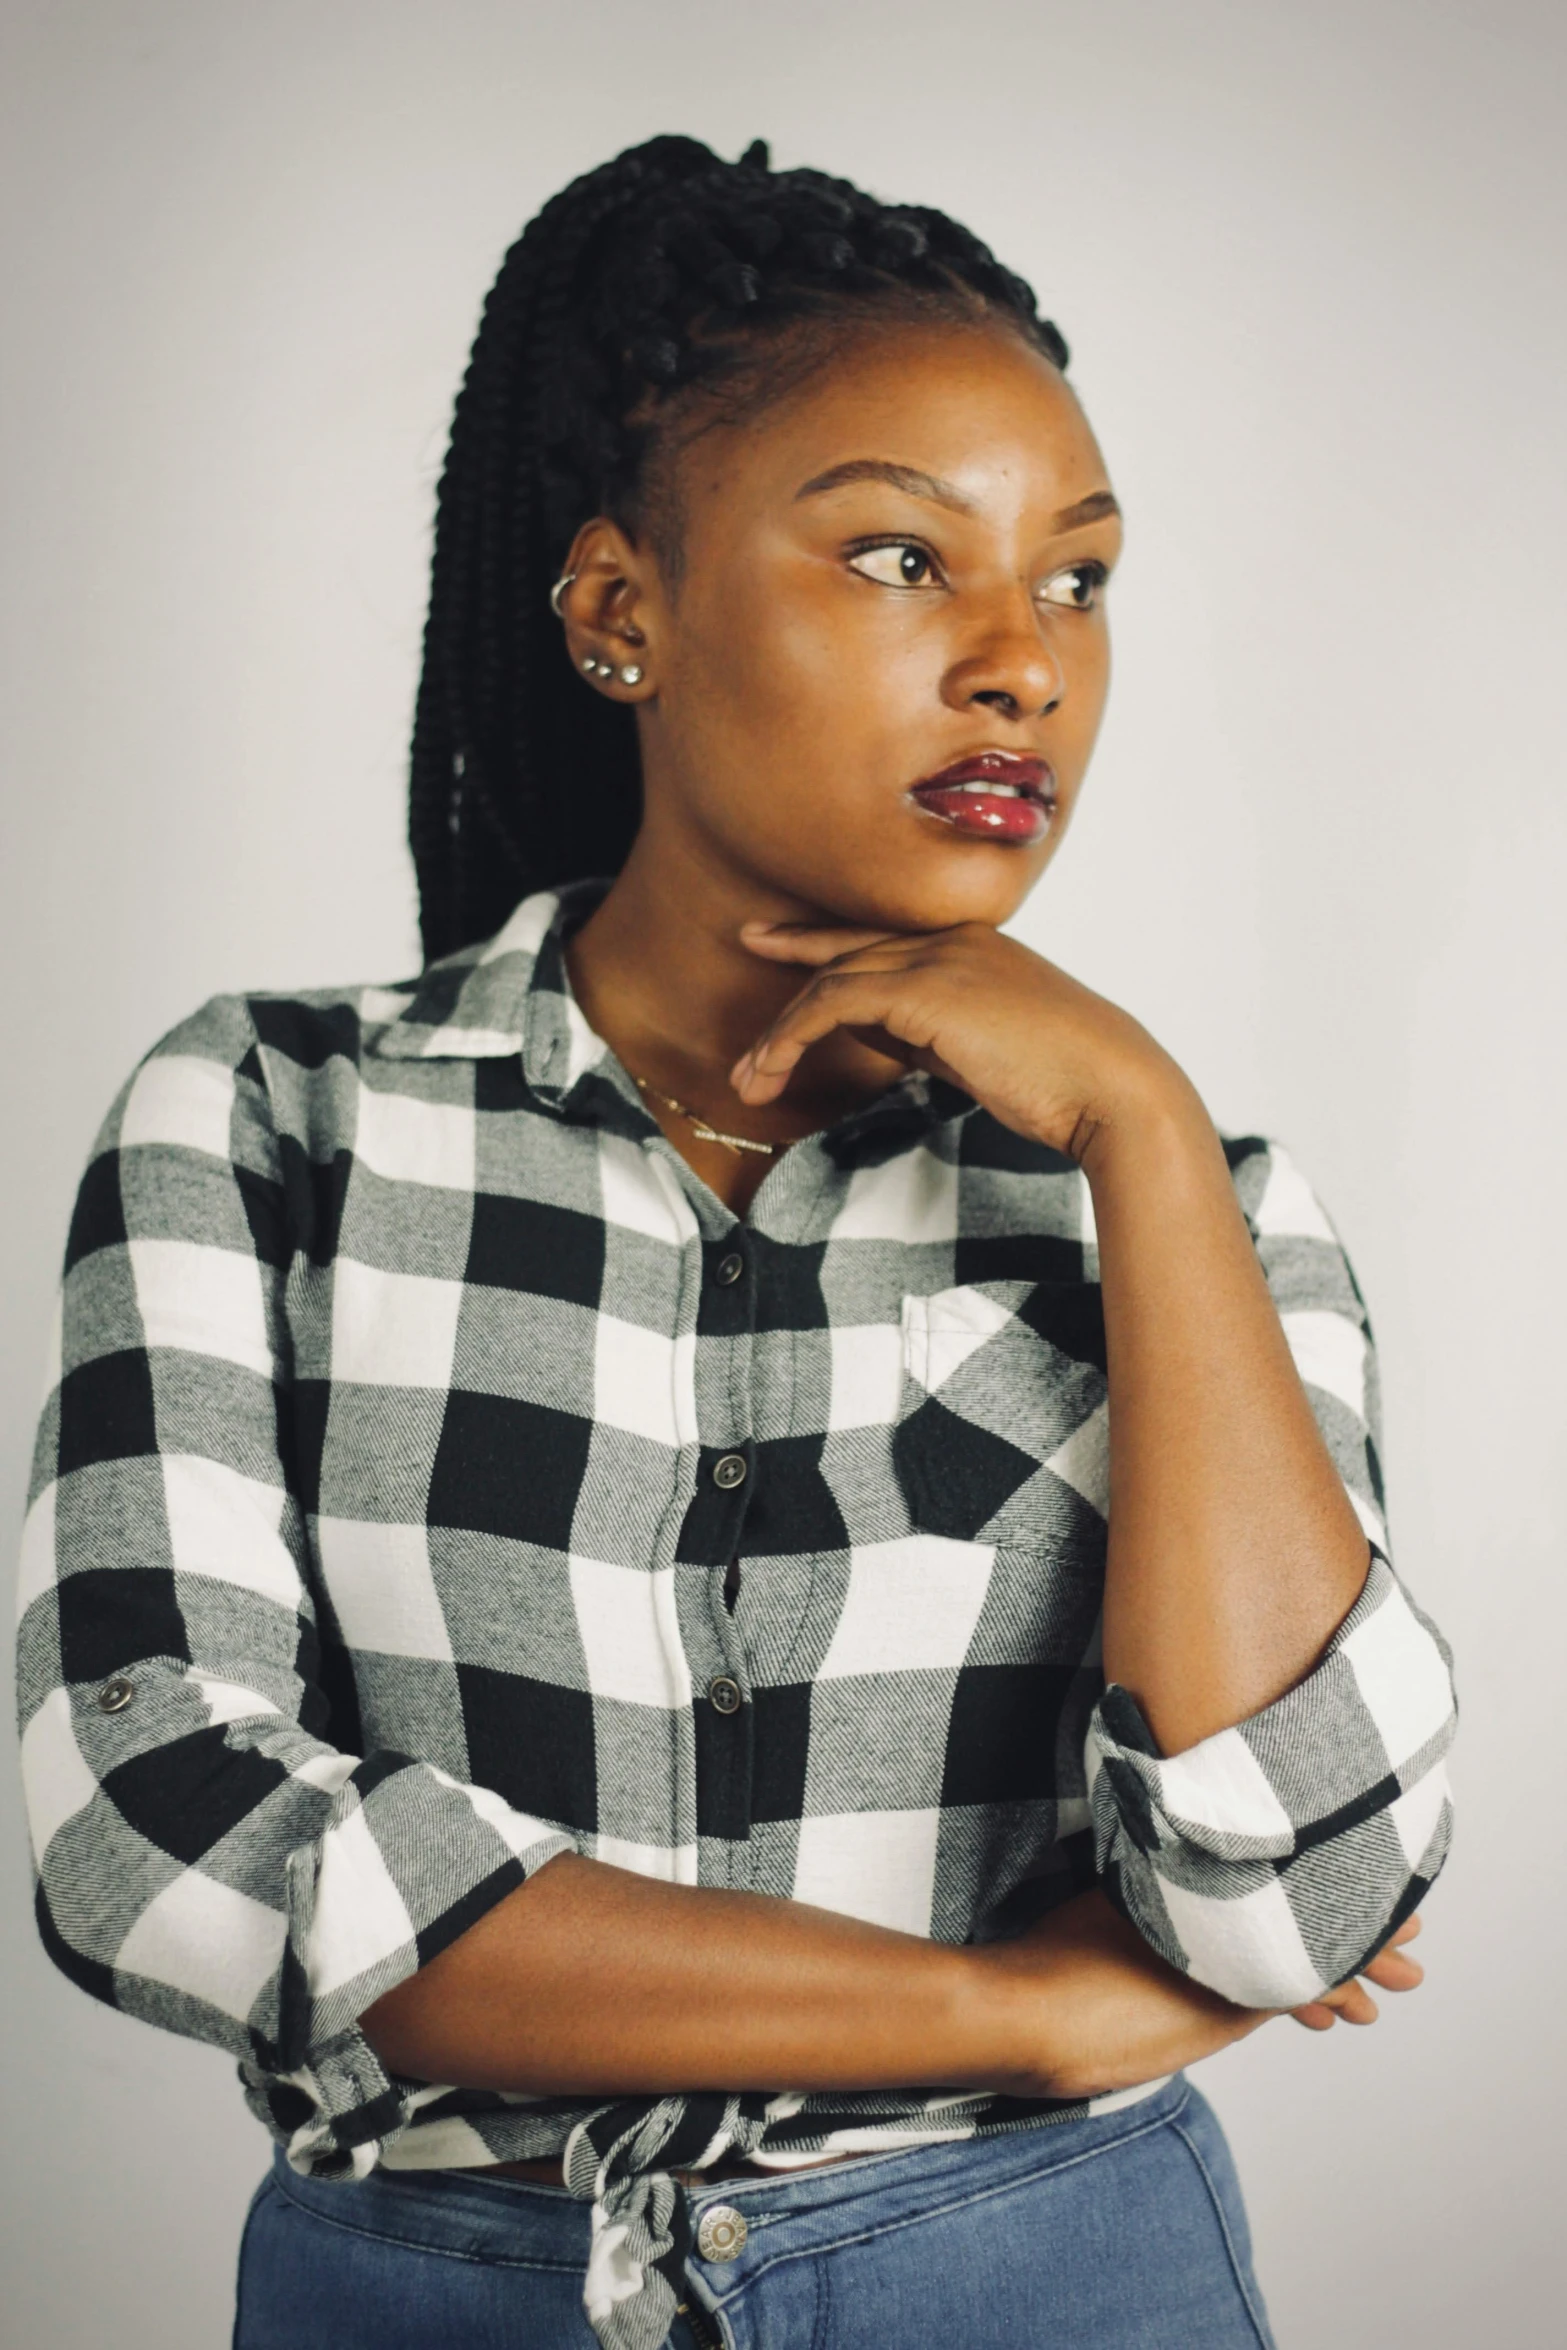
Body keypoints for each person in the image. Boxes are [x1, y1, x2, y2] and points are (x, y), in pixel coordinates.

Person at [16, 135, 1455, 2350]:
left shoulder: (1198, 1205)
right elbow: (159, 1825)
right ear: (620, 611)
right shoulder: (278, 1119)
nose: (1023, 668)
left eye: (1078, 581)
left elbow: (1299, 1895)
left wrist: (1143, 1134)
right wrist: (1011, 2008)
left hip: (1059, 2281)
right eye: (904, 555)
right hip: (433, 2294)